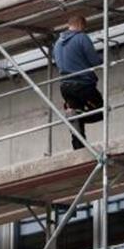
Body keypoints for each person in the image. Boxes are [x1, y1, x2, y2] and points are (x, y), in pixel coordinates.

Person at [52, 13, 104, 150]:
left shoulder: (57, 44)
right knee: (101, 111)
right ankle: (77, 116)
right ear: (81, 25)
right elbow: (94, 60)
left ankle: (78, 147)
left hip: (65, 86)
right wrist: (102, 59)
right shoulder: (81, 38)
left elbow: (58, 62)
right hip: (83, 84)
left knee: (76, 121)